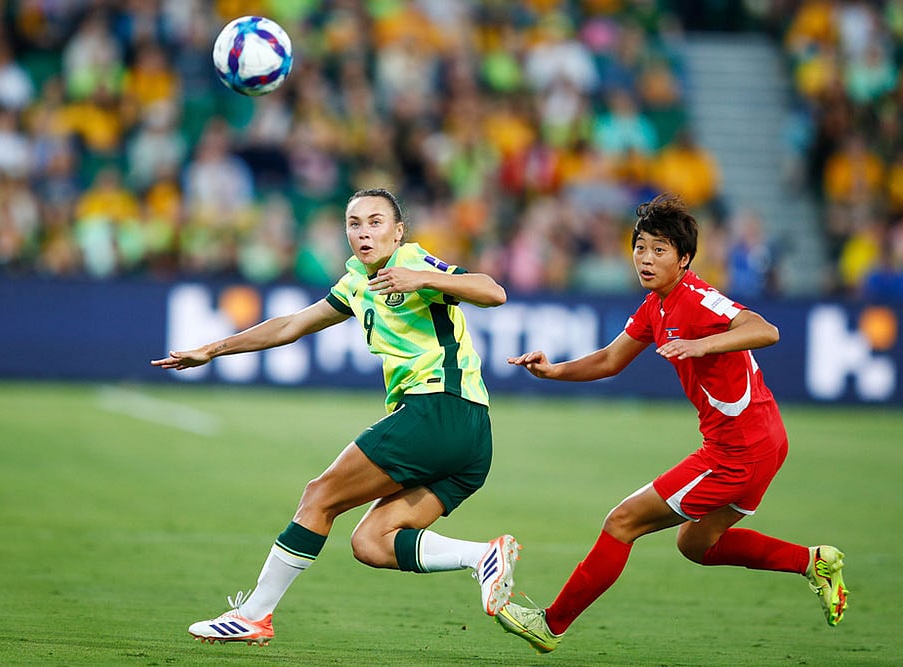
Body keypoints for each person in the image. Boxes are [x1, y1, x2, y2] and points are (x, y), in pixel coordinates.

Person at [152, 187, 519, 645]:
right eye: (354, 223)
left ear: (398, 231)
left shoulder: (415, 263)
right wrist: (213, 348)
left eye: (375, 222)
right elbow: (290, 324)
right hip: (470, 439)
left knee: (319, 496)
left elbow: (493, 291)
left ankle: (253, 615)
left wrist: (423, 280)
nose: (364, 233)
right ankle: (483, 557)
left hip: (437, 407)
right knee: (372, 542)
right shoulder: (356, 283)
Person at [500, 193, 848, 654]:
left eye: (659, 249)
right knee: (697, 544)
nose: (646, 258)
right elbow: (609, 359)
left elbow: (767, 329)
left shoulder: (699, 299)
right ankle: (813, 562)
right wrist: (554, 370)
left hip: (737, 450)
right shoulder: (655, 306)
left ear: (684, 259)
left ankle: (551, 624)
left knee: (622, 522)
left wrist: (705, 346)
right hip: (762, 442)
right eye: (640, 247)